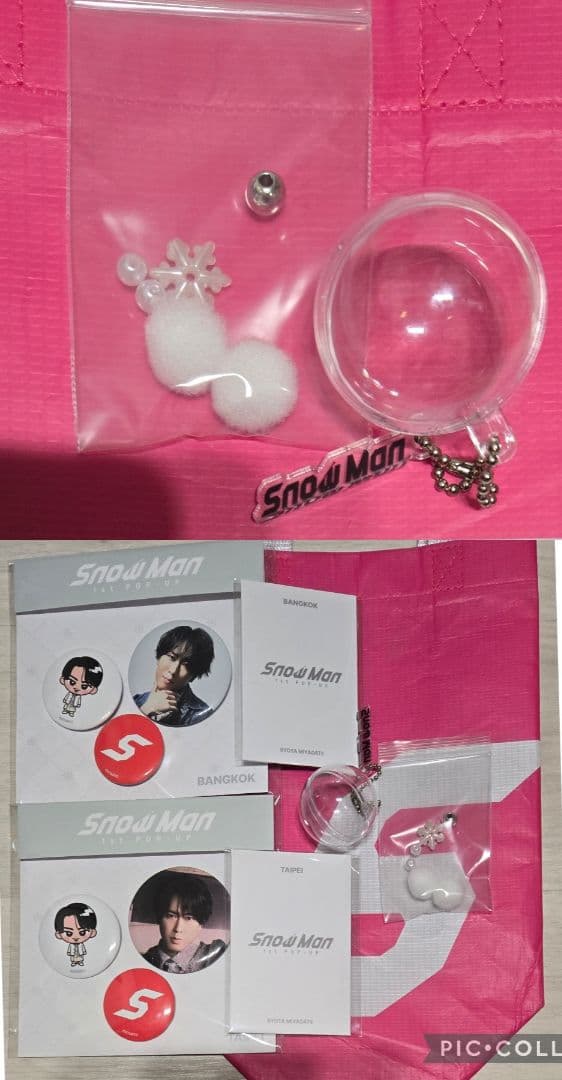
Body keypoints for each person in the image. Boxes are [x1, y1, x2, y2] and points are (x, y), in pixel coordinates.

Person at [142, 872, 227, 974]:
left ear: (201, 923)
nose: (178, 929)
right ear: (159, 918)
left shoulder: (218, 956)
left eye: (188, 918)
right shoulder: (146, 959)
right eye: (171, 916)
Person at [133, 625, 215, 727]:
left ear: (193, 676)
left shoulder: (204, 715)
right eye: (171, 657)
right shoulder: (137, 700)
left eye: (186, 665)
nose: (173, 670)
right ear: (159, 658)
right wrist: (148, 708)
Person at [54, 902, 98, 968]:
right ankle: (74, 962)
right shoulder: (71, 945)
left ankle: (80, 962)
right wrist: (69, 953)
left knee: (80, 957)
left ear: (93, 932)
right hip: (72, 955)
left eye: (82, 932)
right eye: (69, 933)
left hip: (80, 954)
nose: (75, 937)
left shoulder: (81, 944)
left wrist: (84, 952)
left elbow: (83, 949)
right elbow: (69, 950)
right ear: (58, 934)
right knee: (73, 957)